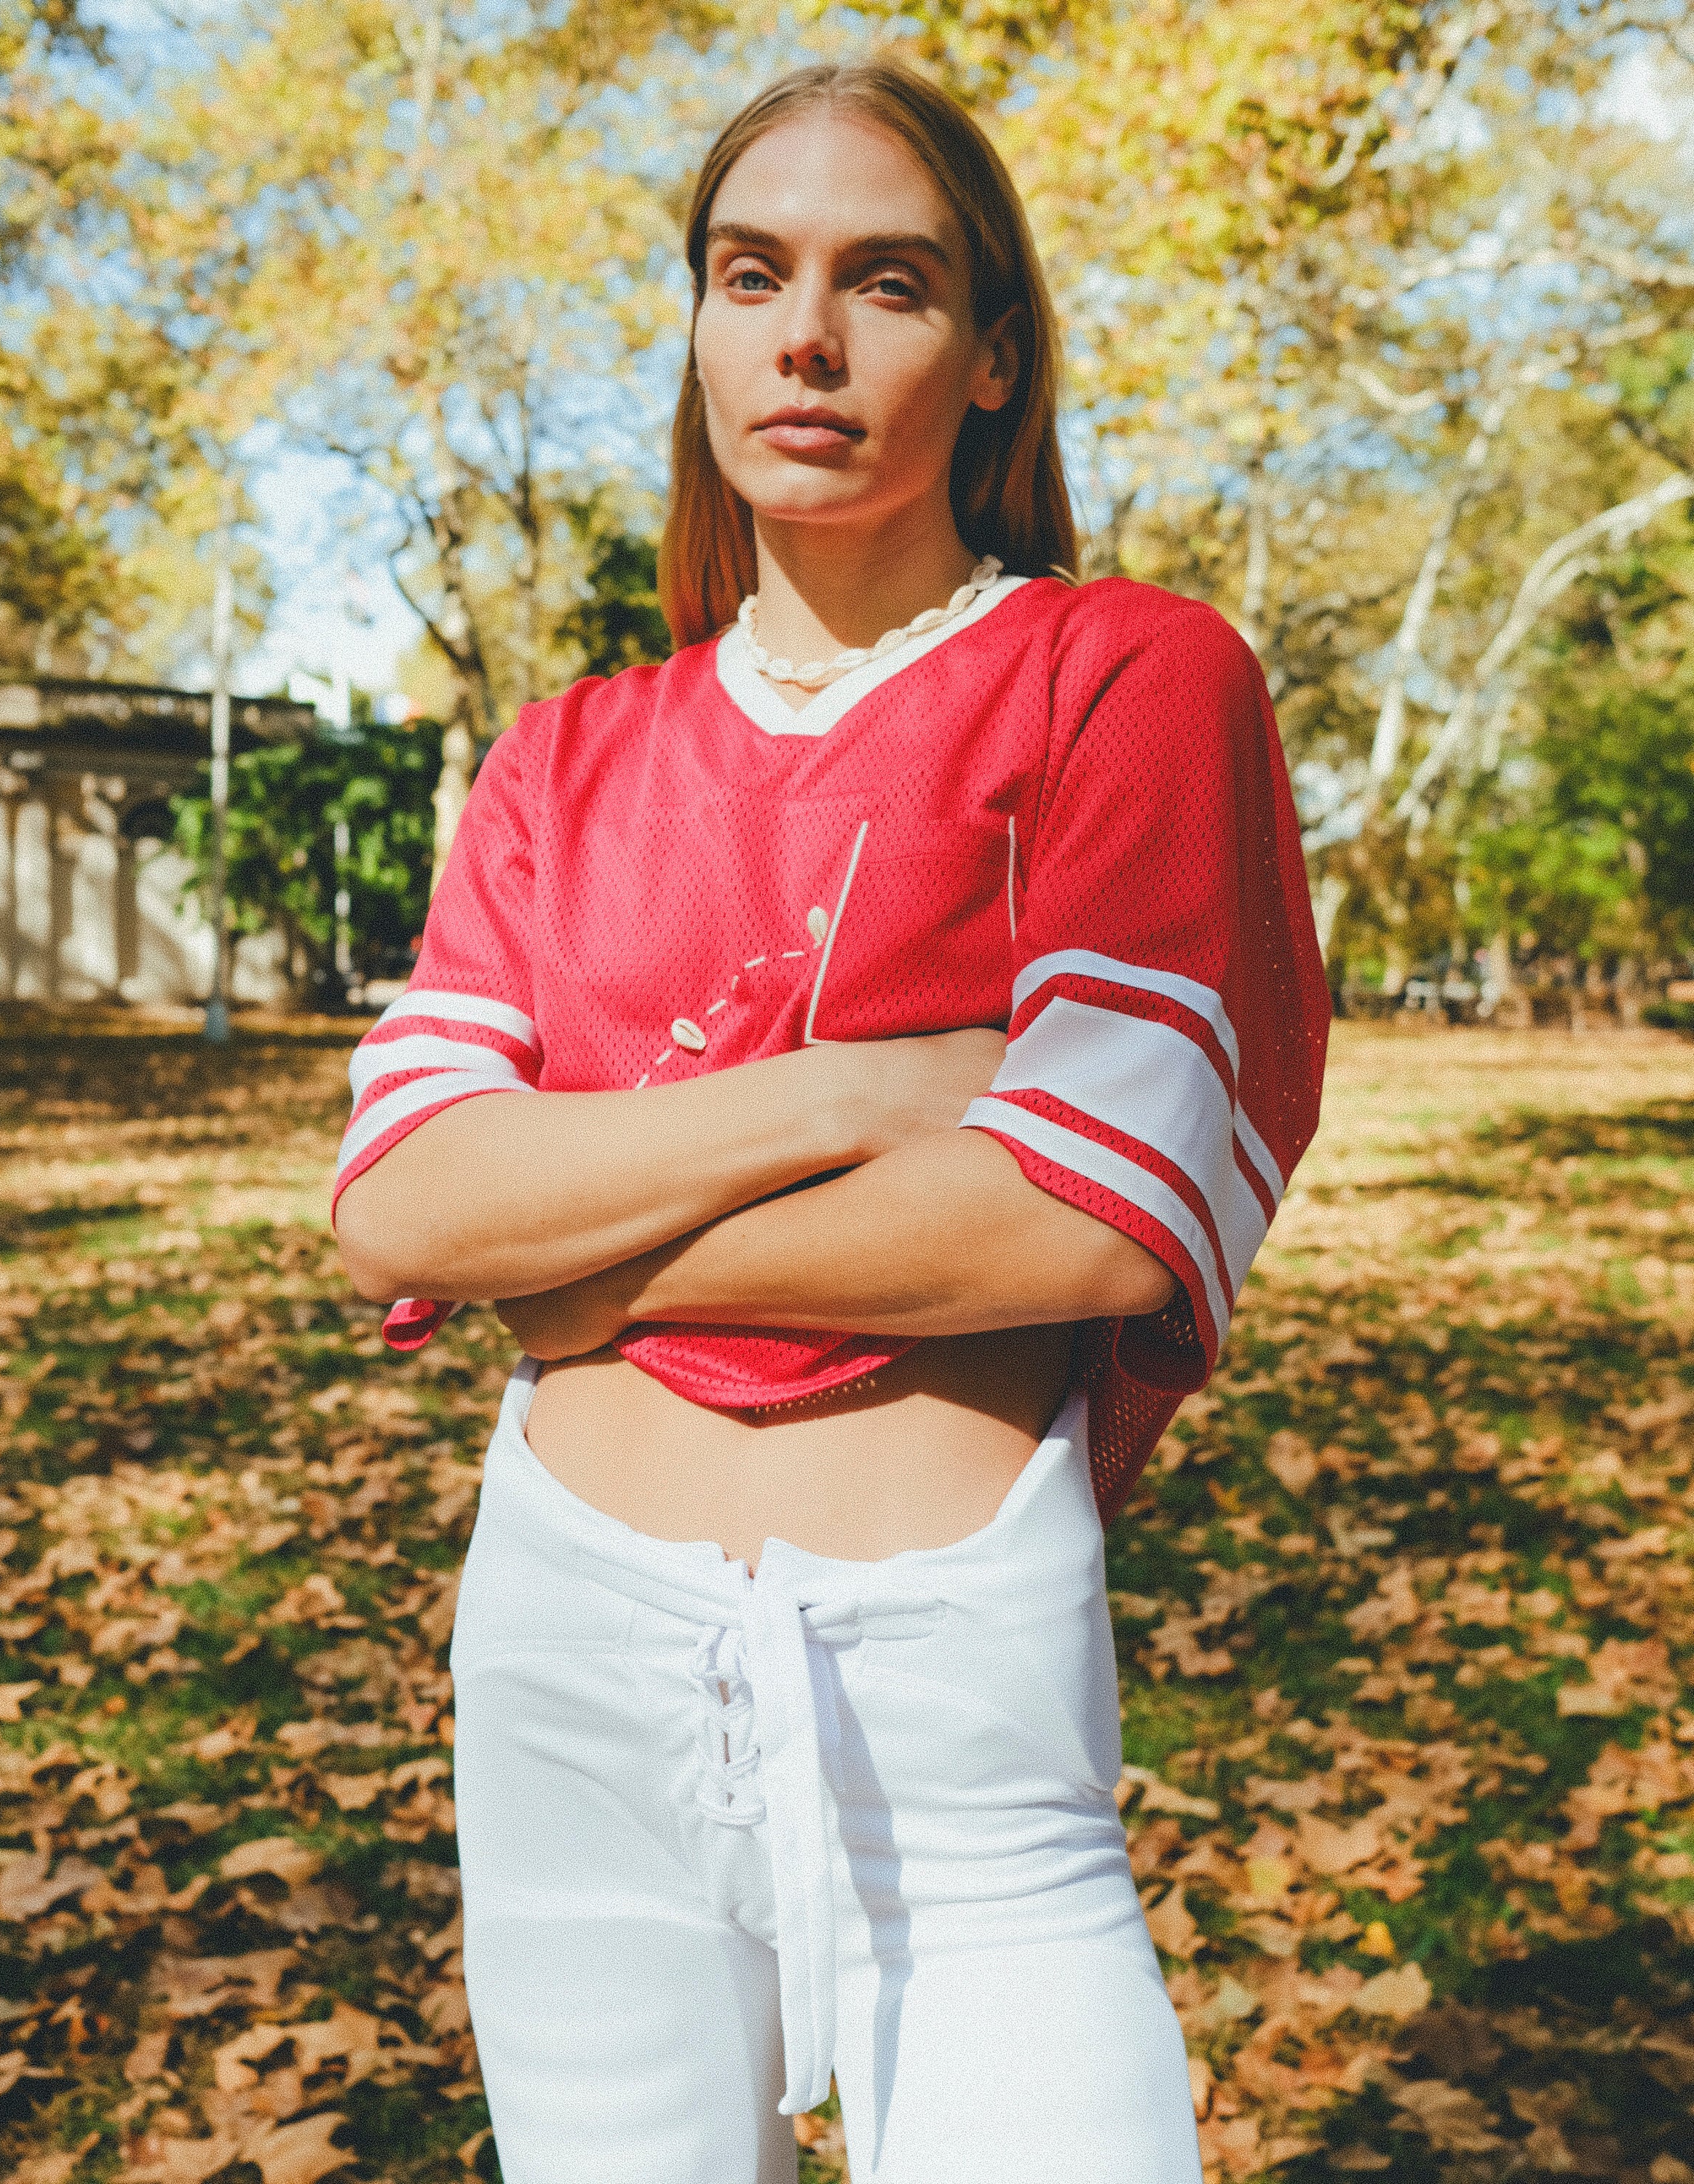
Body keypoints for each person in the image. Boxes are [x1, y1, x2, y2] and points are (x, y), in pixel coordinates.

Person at [333, 57, 1328, 2184]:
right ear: (697, 323)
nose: (805, 335)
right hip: (565, 1647)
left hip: (951, 1665)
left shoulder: (1127, 678)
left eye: (887, 282)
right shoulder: (560, 760)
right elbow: (407, 1205)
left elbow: (1080, 1221)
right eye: (748, 273)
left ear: (992, 359)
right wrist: (857, 1090)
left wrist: (570, 1261)